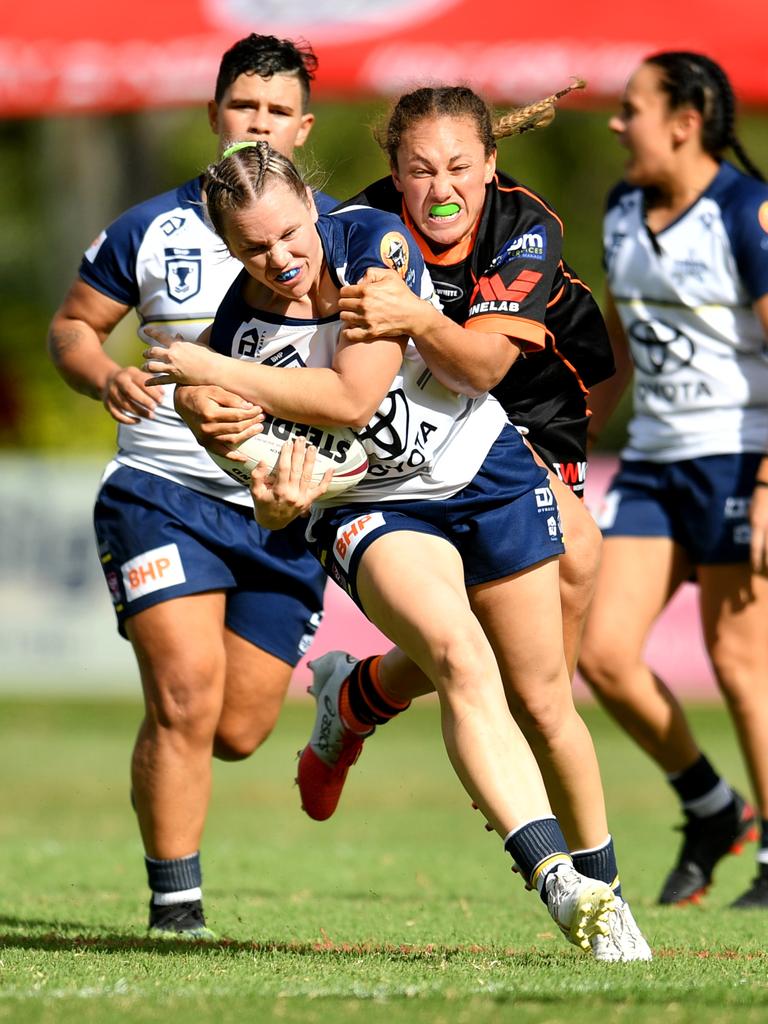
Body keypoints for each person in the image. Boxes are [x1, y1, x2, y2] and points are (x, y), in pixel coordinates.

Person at [142, 139, 651, 960]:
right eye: (252, 248)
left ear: (313, 207)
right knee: (460, 657)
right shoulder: (226, 354)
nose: (279, 258)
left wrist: (212, 367)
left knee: (546, 700)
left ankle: (611, 898)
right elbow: (271, 499)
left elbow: (352, 395)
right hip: (372, 510)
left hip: (480, 468)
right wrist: (275, 497)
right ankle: (562, 885)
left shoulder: (373, 241)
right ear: (228, 250)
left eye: (288, 234)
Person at [281, 85, 620, 889]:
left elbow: (484, 366)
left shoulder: (525, 226)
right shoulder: (360, 233)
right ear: (394, 175)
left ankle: (365, 696)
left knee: (565, 582)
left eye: (461, 169)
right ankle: (514, 752)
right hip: (434, 431)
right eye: (420, 170)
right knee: (535, 597)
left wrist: (415, 317)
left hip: (533, 404)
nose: (442, 191)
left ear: (491, 166)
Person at [46, 34, 337, 939]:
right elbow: (73, 328)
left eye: (277, 110)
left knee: (239, 727)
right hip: (158, 491)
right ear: (215, 116)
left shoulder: (341, 230)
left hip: (281, 508)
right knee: (183, 694)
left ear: (303, 127)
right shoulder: (151, 226)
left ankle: (333, 696)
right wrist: (104, 375)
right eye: (243, 105)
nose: (258, 121)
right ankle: (177, 910)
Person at [577, 50, 768, 909]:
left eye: (632, 110)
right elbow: (619, 345)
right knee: (603, 656)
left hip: (738, 456)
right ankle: (711, 804)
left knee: (740, 660)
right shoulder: (622, 208)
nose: (617, 124)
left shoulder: (745, 211)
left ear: (685, 121)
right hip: (653, 461)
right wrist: (570, 425)